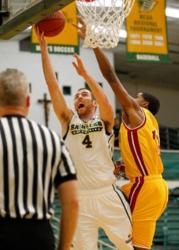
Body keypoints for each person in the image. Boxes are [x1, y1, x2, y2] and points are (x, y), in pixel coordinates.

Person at [36, 28, 133, 250]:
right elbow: (53, 87)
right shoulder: (69, 121)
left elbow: (107, 103)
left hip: (107, 194)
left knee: (129, 247)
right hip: (79, 199)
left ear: (93, 103)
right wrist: (44, 49)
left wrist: (86, 77)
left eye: (84, 94)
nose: (79, 96)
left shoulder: (105, 121)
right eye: (77, 95)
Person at [76, 18, 169, 250]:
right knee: (106, 196)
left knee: (136, 247)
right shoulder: (150, 123)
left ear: (144, 103)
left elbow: (111, 78)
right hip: (150, 185)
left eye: (136, 96)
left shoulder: (135, 113)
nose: (131, 98)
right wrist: (122, 166)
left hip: (145, 187)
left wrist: (93, 42)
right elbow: (143, 154)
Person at [0, 68, 79, 250]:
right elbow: (73, 201)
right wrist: (64, 247)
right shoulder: (52, 139)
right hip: (38, 237)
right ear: (27, 101)